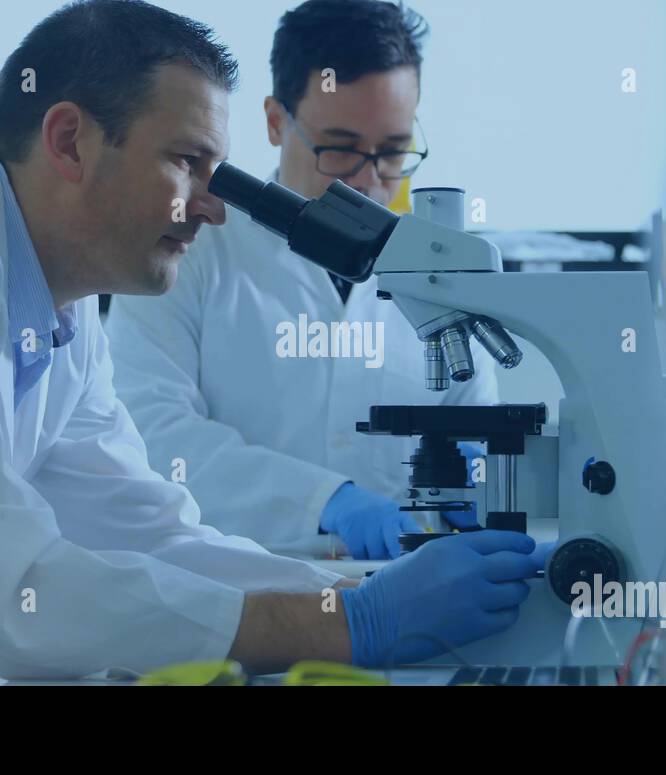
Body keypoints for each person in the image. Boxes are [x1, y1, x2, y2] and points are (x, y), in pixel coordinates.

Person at [0, 0, 540, 684]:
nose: (211, 205)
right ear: (68, 140)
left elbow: (148, 534)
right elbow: (19, 592)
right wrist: (358, 625)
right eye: (187, 164)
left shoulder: (61, 313)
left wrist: (362, 590)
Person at [105, 0, 499, 560]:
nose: (367, 181)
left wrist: (487, 478)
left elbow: (479, 434)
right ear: (274, 121)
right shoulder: (184, 250)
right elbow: (153, 434)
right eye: (339, 148)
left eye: (391, 152)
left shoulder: (442, 277)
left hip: (409, 600)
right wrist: (327, 502)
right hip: (229, 600)